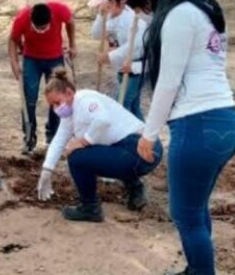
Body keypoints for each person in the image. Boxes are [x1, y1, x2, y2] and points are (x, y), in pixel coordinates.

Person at [136, 0, 235, 275]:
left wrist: (148, 133)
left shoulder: (182, 14)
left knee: (186, 215)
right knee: (195, 212)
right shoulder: (207, 9)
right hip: (225, 121)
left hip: (199, 125)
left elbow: (168, 82)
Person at [36, 68, 162, 222]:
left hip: (142, 149)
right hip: (138, 150)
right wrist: (47, 170)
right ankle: (135, 189)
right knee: (96, 150)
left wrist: (83, 141)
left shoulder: (84, 100)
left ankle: (90, 207)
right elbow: (59, 140)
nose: (56, 109)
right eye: (52, 106)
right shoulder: (70, 114)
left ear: (69, 93)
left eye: (57, 102)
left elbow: (103, 119)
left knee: (77, 157)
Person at [9, 1, 77, 154]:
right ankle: (29, 138)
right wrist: (14, 63)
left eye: (44, 27)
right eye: (37, 28)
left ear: (51, 19)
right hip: (31, 60)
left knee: (57, 98)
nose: (40, 31)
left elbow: (70, 21)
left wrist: (73, 44)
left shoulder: (59, 10)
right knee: (29, 98)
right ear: (31, 19)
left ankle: (53, 137)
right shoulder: (22, 18)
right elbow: (13, 39)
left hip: (55, 59)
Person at [89, 0, 147, 120]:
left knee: (121, 104)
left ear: (113, 1)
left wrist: (110, 57)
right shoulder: (108, 17)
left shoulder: (132, 19)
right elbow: (97, 34)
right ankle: (146, 139)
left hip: (135, 68)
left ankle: (129, 138)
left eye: (102, 4)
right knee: (133, 107)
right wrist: (100, 15)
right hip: (121, 68)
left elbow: (135, 46)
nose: (99, 7)